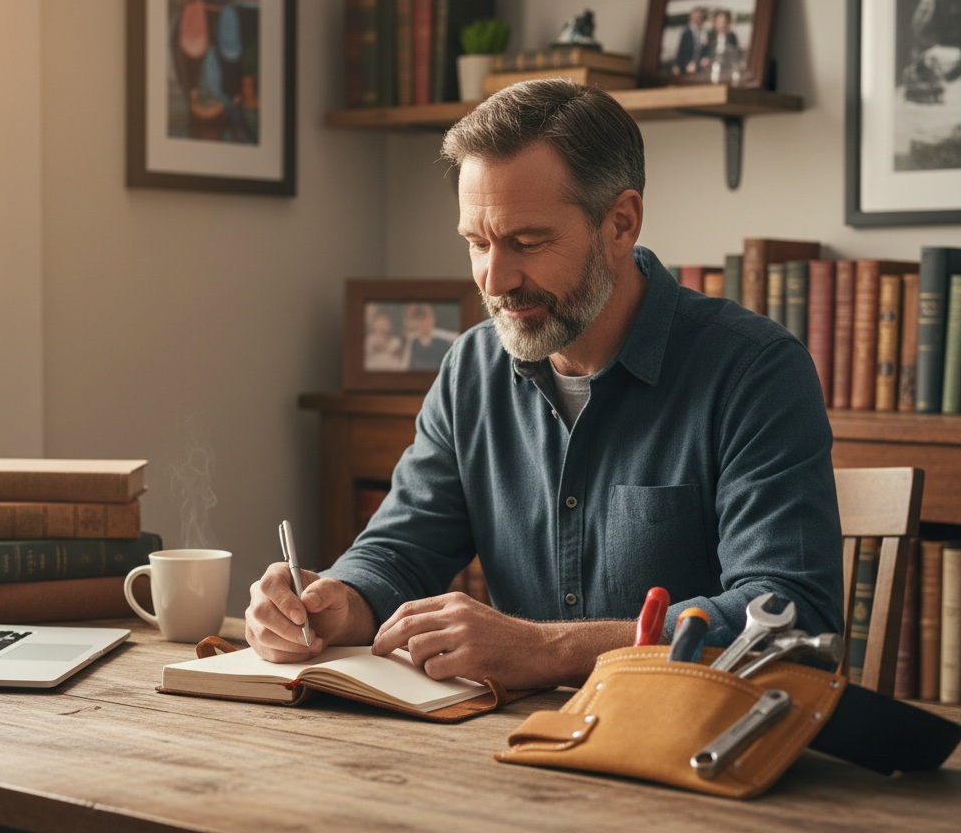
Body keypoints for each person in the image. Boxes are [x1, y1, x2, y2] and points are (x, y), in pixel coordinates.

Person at [246, 79, 843, 690]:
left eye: (526, 242)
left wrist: (548, 648)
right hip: (506, 748)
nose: (495, 278)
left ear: (621, 224)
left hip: (696, 749)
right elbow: (399, 551)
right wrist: (338, 602)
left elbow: (788, 615)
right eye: (476, 243)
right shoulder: (471, 370)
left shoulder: (755, 371)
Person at [672, 6, 708, 75]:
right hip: (686, 65)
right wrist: (678, 65)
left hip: (698, 66)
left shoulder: (703, 32)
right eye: (697, 16)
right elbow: (680, 50)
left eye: (700, 16)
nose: (699, 18)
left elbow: (704, 49)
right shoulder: (686, 32)